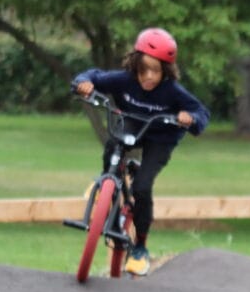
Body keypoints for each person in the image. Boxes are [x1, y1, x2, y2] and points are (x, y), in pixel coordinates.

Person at [72, 27, 210, 276]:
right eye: (143, 69)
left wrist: (190, 118)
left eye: (155, 71)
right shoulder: (124, 80)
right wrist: (83, 83)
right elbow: (93, 75)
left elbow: (201, 113)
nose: (148, 76)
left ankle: (140, 247)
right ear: (135, 64)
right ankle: (107, 186)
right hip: (134, 124)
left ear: (165, 71)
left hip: (162, 134)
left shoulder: (172, 91)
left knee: (142, 187)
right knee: (114, 143)